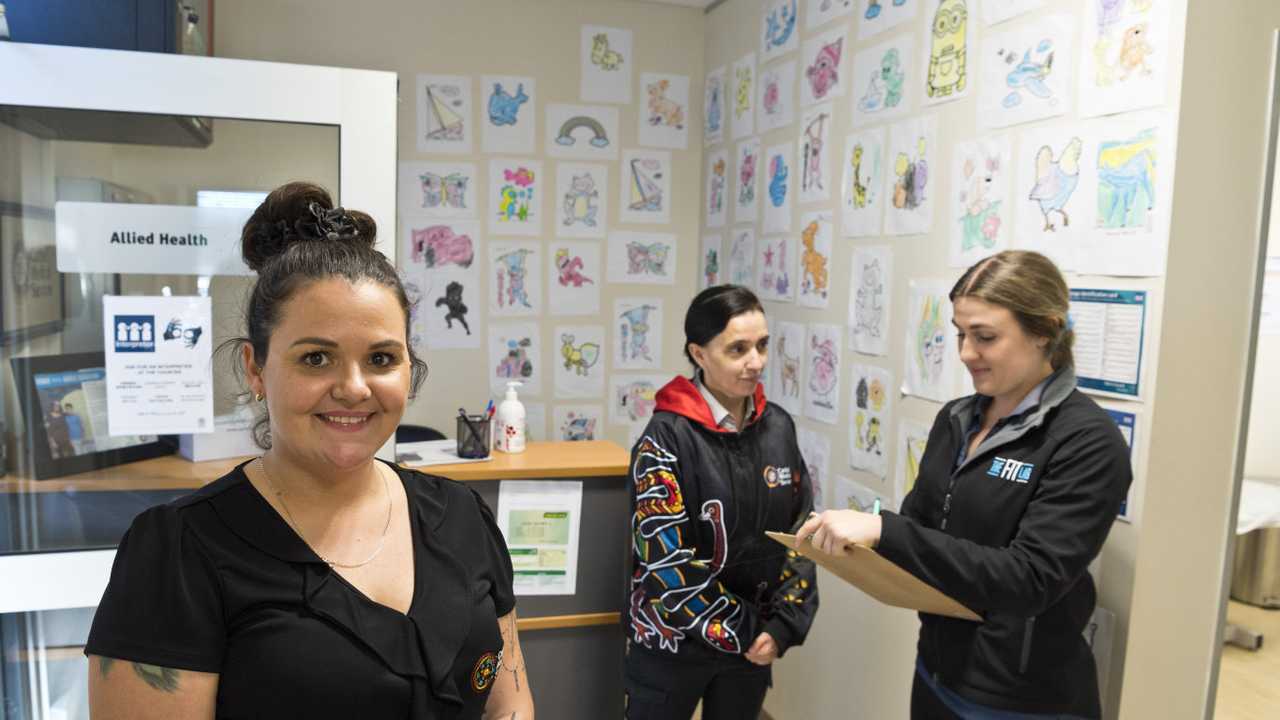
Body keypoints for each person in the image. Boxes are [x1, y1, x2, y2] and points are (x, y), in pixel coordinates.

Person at [84, 182, 534, 719]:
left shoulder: (462, 518)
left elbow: (509, 705)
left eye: (382, 358)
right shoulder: (181, 553)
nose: (354, 387)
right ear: (255, 367)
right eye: (316, 359)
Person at [798, 250, 1131, 719]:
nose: (965, 353)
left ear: (1045, 331)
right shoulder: (957, 418)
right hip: (938, 668)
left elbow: (1030, 577)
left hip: (1020, 697)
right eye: (960, 334)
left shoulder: (1087, 442)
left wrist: (885, 532)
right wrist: (860, 543)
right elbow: (923, 527)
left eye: (985, 337)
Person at [625, 284, 818, 720]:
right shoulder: (666, 439)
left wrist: (784, 625)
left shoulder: (779, 429)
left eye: (763, 345)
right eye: (738, 349)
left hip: (749, 650)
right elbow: (664, 560)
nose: (757, 362)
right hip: (672, 644)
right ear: (699, 354)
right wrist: (745, 629)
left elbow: (800, 529)